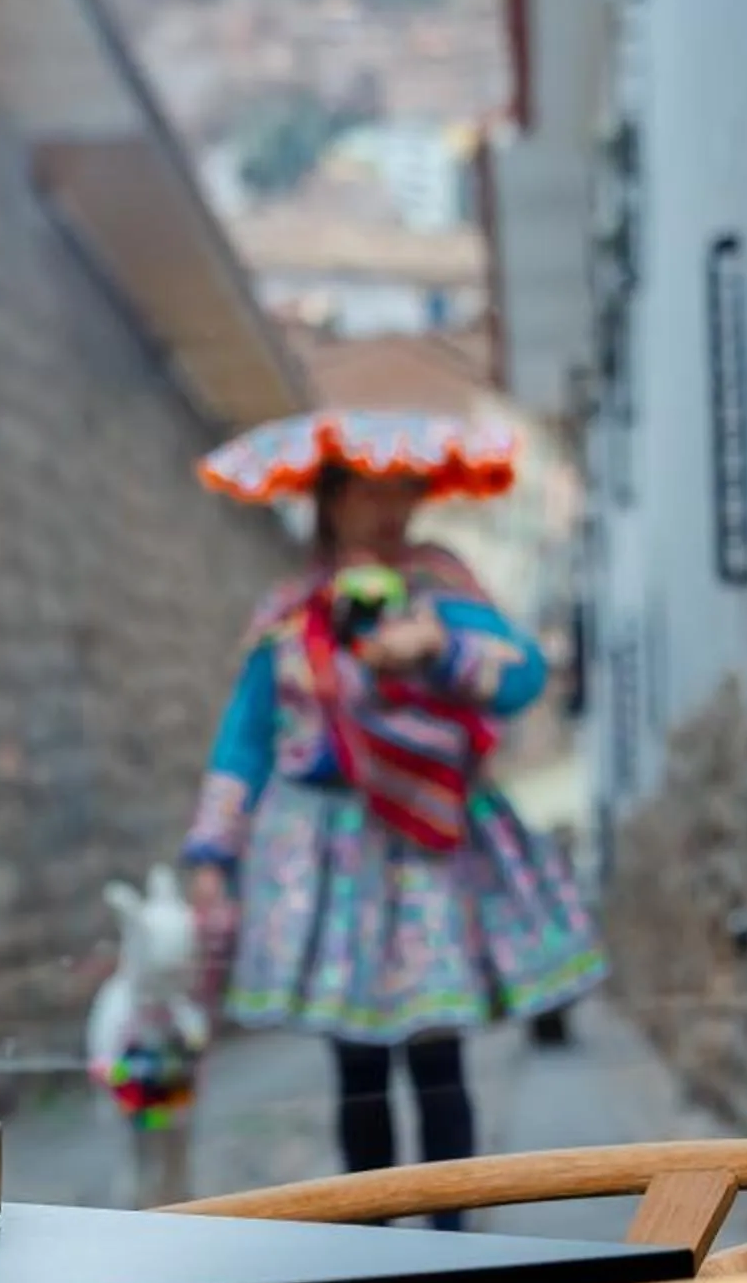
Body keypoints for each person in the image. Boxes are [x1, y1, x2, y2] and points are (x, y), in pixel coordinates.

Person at [180, 453, 604, 1205]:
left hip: (430, 853)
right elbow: (246, 738)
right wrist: (214, 851)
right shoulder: (293, 614)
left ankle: (450, 1237)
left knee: (438, 1053)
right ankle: (372, 1235)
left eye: (401, 492)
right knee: (358, 1065)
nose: (389, 510)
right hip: (330, 863)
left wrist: (439, 648)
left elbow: (522, 677)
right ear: (331, 500)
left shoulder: (441, 592)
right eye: (368, 493)